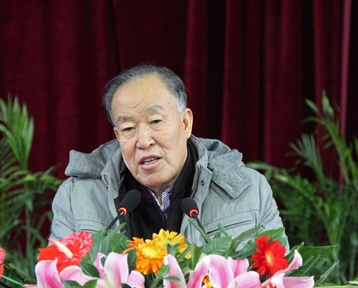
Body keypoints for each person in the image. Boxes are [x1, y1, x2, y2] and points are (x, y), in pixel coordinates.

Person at [50, 64, 285, 245]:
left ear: (185, 123)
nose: (144, 141)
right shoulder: (76, 198)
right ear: (117, 135)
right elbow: (59, 285)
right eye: (128, 128)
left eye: (155, 121)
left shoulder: (249, 192)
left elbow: (281, 283)